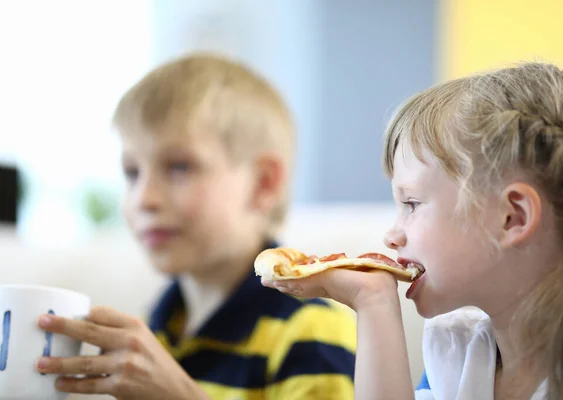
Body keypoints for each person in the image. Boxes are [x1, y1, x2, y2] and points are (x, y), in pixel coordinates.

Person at [263, 62, 563, 400]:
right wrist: (374, 301)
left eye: (411, 203)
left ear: (512, 217)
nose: (391, 236)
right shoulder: (457, 353)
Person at [35, 53, 356, 399]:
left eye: (179, 167)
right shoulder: (157, 324)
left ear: (263, 184)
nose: (145, 198)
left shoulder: (311, 327)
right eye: (132, 172)